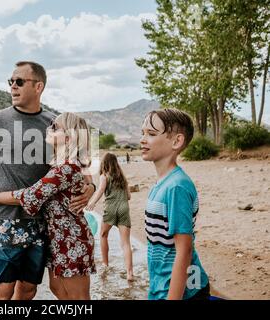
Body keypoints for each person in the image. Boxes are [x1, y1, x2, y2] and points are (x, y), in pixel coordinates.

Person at [0, 61, 95, 300]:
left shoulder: (54, 124)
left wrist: (90, 188)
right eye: (10, 81)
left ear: (38, 86)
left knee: (29, 290)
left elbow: (84, 164)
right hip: (4, 221)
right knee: (2, 290)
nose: (13, 86)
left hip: (42, 224)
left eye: (19, 81)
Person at [0, 112, 96, 300]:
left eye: (55, 128)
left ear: (68, 137)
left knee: (78, 299)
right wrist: (91, 187)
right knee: (59, 291)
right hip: (59, 240)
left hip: (72, 240)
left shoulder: (66, 168)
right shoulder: (62, 166)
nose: (48, 128)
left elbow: (31, 195)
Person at [140, 108, 210, 300]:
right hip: (163, 285)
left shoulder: (176, 187)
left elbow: (184, 249)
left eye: (151, 134)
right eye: (143, 133)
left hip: (185, 291)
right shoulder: (162, 183)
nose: (143, 139)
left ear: (176, 141)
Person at [86, 152, 134, 281]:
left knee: (103, 235)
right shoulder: (122, 178)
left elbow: (100, 190)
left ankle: (105, 264)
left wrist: (91, 202)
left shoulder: (104, 176)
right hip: (124, 208)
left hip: (110, 208)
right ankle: (130, 273)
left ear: (104, 164)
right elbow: (129, 196)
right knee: (125, 243)